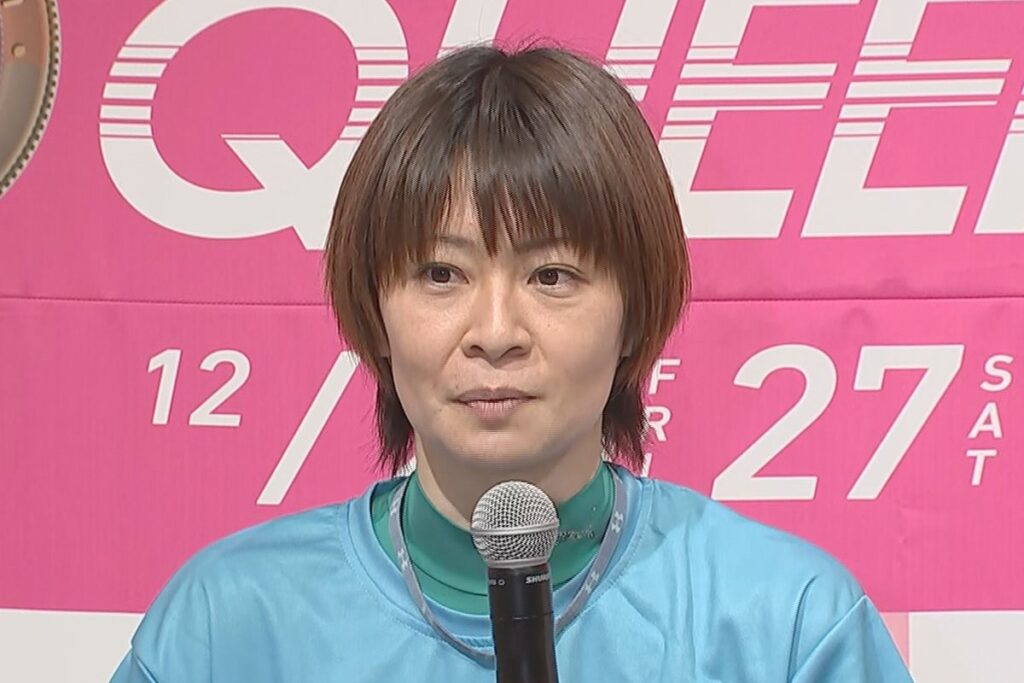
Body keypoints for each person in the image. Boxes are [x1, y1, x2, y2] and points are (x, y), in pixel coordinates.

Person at [110, 41, 913, 682]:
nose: (495, 332)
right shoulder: (224, 626)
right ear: (375, 312)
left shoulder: (788, 624)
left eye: (551, 276)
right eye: (441, 274)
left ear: (633, 313)